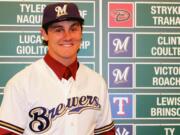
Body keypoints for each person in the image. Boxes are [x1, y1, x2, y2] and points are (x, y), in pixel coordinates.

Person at [0, 2, 115, 135]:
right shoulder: (20, 84)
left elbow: (106, 132)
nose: (67, 36)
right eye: (58, 30)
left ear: (81, 32)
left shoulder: (97, 82)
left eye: (73, 29)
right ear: (44, 34)